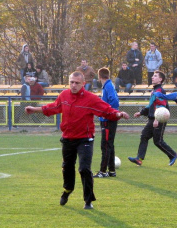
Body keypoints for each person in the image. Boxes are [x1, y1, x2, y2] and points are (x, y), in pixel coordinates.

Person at [24, 72, 130, 209]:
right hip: (68, 139)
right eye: (72, 82)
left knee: (84, 169)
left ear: (83, 83)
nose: (74, 85)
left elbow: (106, 110)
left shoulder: (91, 99)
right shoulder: (64, 96)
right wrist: (35, 109)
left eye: (77, 83)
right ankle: (67, 190)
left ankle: (88, 200)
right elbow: (53, 107)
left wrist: (118, 114)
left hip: (85, 139)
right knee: (67, 168)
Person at [128, 71, 177, 166]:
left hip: (159, 118)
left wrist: (156, 119)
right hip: (153, 118)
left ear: (160, 79)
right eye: (152, 76)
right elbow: (151, 105)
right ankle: (139, 159)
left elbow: (161, 106)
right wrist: (141, 112)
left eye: (155, 76)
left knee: (158, 141)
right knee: (144, 136)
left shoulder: (160, 91)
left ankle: (173, 155)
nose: (152, 77)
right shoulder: (155, 91)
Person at [93, 68, 120, 178]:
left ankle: (103, 171)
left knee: (105, 145)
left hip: (107, 120)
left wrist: (108, 112)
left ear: (99, 77)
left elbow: (114, 101)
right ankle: (112, 170)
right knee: (109, 145)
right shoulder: (108, 85)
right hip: (108, 120)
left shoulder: (108, 86)